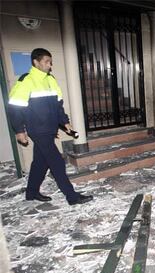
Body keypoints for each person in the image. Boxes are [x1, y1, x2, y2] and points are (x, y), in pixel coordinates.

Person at [7, 48, 93, 205]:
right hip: (37, 129)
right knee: (57, 162)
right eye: (46, 61)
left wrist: (65, 123)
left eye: (50, 62)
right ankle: (72, 197)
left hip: (49, 128)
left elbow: (58, 106)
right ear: (36, 62)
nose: (49, 65)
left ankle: (31, 192)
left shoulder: (51, 80)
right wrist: (19, 130)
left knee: (41, 162)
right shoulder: (26, 80)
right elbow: (14, 107)